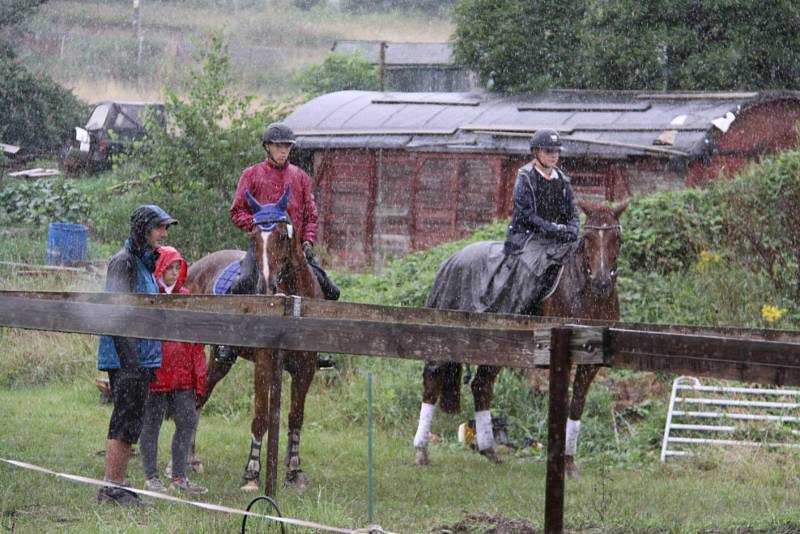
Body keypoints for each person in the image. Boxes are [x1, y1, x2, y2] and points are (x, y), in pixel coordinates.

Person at [219, 122, 339, 363]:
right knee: (241, 282)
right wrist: (256, 225)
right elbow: (236, 212)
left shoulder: (301, 177)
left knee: (330, 289)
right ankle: (228, 342)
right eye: (278, 146)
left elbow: (310, 214)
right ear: (267, 148)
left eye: (286, 147)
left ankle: (316, 347)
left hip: (294, 248)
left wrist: (308, 241)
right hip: (263, 246)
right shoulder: (251, 175)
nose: (283, 151)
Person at [96, 205, 177, 506]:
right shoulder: (124, 262)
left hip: (141, 356)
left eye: (165, 228)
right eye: (159, 227)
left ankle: (119, 483)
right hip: (125, 356)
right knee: (125, 418)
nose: (164, 234)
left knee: (132, 420)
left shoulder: (144, 263)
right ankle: (111, 488)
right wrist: (130, 363)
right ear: (144, 228)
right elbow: (116, 314)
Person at [139, 246, 208, 495]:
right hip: (155, 374)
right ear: (160, 268)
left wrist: (198, 378)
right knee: (151, 424)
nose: (174, 271)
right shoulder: (148, 295)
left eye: (178, 267)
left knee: (187, 422)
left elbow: (196, 344)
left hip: (182, 376)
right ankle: (151, 476)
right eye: (170, 266)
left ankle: (179, 477)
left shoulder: (186, 297)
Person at [504, 128, 579, 255]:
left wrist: (573, 229)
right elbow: (526, 214)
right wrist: (551, 228)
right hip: (526, 237)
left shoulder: (563, 180)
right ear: (536, 152)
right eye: (549, 151)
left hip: (556, 237)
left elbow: (572, 211)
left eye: (557, 151)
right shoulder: (525, 178)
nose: (554, 155)